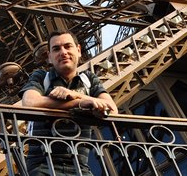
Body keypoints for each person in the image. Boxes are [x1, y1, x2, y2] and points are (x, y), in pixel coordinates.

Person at [20, 31, 117, 176]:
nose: (63, 52)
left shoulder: (89, 79)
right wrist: (80, 103)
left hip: (80, 167)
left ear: (78, 50)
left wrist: (76, 95)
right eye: (56, 49)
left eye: (68, 46)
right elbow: (29, 102)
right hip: (43, 166)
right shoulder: (41, 76)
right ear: (49, 58)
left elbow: (112, 111)